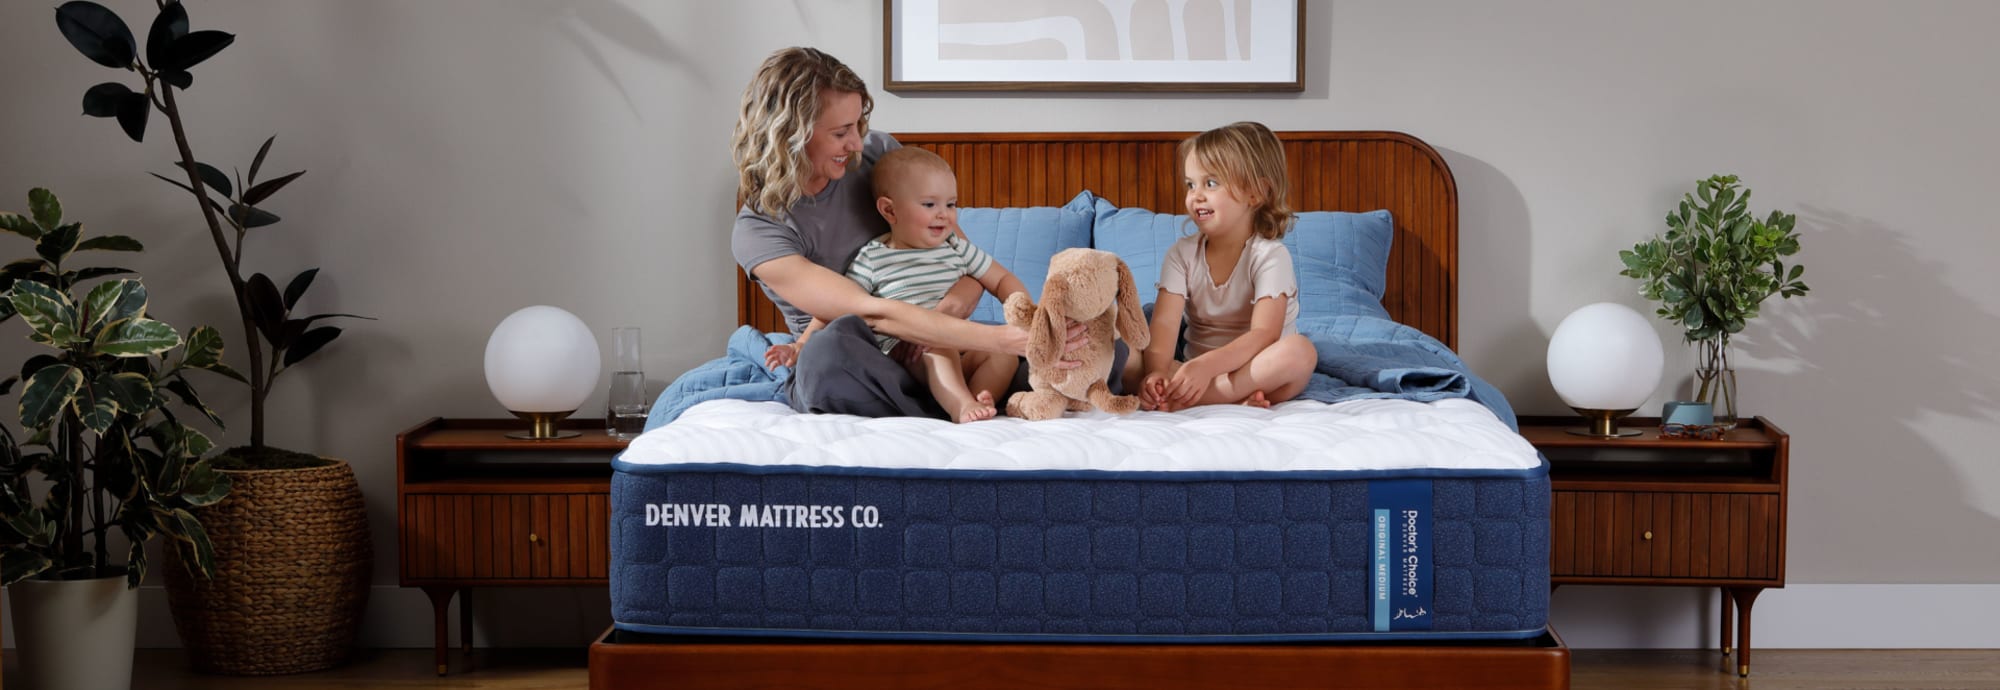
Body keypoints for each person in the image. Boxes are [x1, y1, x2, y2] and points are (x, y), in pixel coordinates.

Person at [730, 47, 1081, 420]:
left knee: (1091, 347)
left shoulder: (878, 157)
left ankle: (957, 398)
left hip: (944, 342)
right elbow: (869, 313)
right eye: (840, 132)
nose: (855, 143)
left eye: (857, 126)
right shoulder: (760, 230)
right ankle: (953, 400)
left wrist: (940, 323)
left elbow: (961, 257)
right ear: (791, 135)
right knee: (824, 359)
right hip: (865, 358)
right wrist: (998, 338)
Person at [767, 148, 1027, 422]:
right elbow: (834, 308)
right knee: (939, 344)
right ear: (890, 210)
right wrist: (800, 345)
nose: (944, 215)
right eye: (930, 205)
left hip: (958, 346)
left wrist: (1025, 313)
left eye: (951, 204)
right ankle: (961, 406)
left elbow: (1001, 279)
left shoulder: (957, 248)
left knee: (1004, 357)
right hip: (903, 357)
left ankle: (975, 400)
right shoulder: (873, 257)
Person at [1135, 121, 1318, 412]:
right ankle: (1224, 398)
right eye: (1190, 184)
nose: (1196, 196)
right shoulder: (1180, 254)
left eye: (1211, 183)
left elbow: (1265, 334)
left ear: (1255, 193)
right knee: (1130, 353)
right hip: (1192, 369)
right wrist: (1156, 372)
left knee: (1300, 352)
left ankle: (1198, 397)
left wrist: (1206, 368)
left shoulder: (1270, 256)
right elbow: (1166, 324)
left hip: (1255, 368)